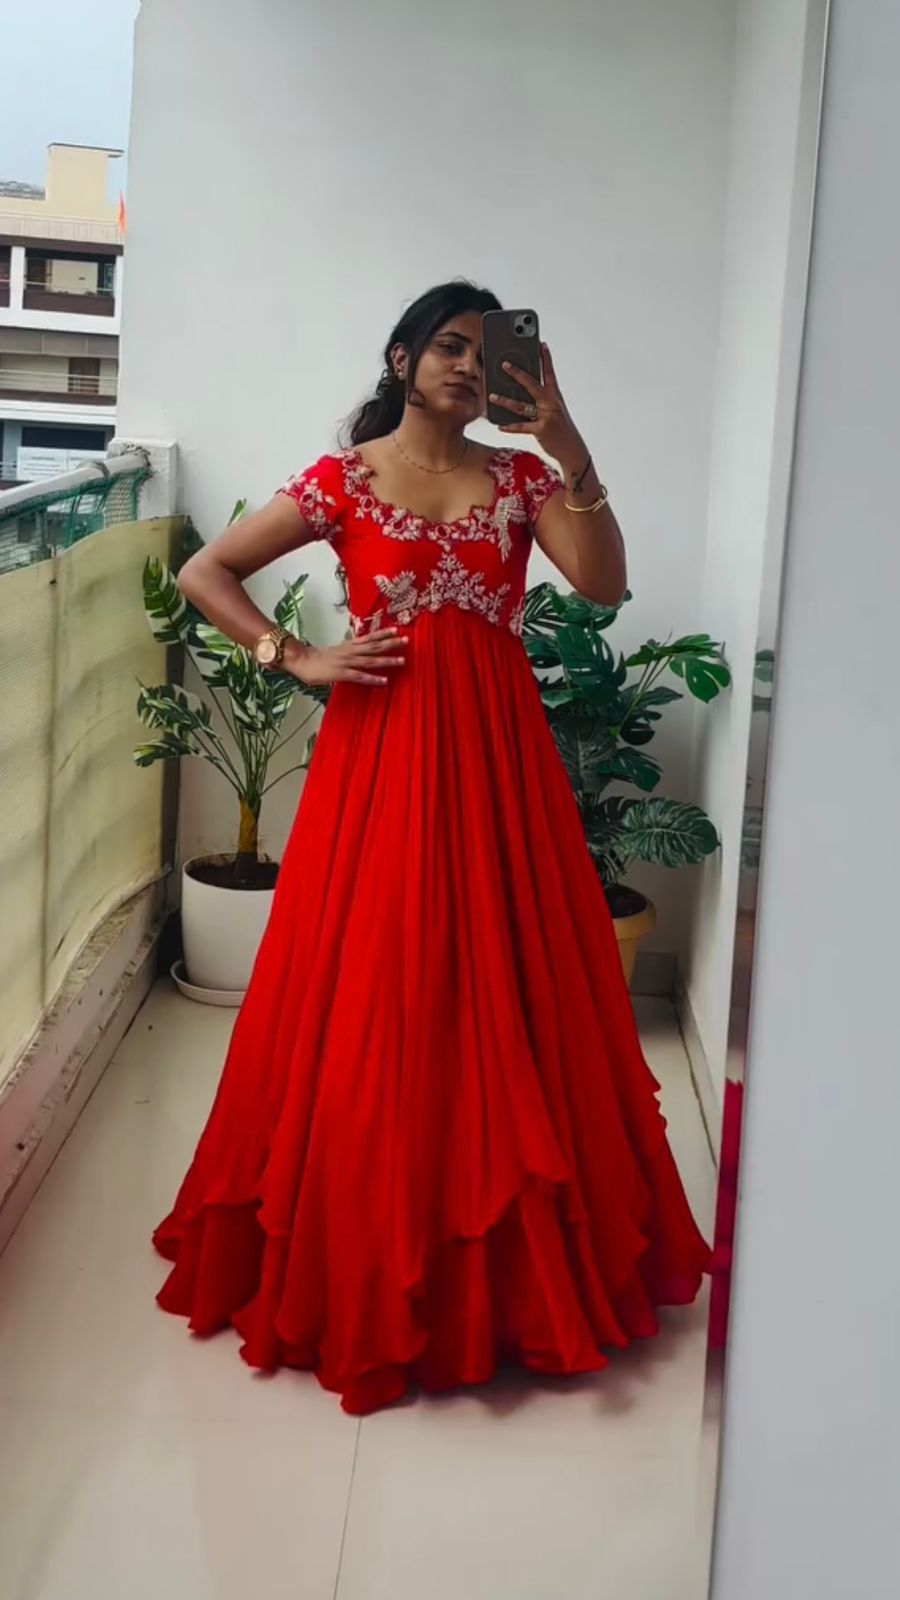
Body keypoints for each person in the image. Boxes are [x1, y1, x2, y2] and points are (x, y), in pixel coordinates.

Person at [154, 280, 709, 1415]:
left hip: (500, 763)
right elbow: (204, 573)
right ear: (402, 359)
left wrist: (566, 444)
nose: (466, 365)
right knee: (374, 975)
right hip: (383, 759)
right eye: (447, 346)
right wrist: (294, 659)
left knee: (507, 970)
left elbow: (603, 585)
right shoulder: (344, 480)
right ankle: (363, 1234)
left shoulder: (522, 481)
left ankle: (513, 1260)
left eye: (484, 351)